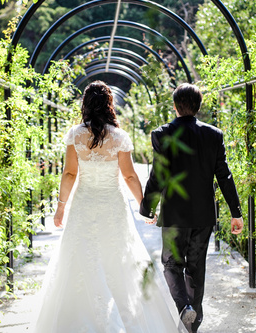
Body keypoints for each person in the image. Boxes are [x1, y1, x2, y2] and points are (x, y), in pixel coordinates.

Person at [33, 81, 188, 332]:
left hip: (83, 205)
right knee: (121, 260)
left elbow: (69, 173)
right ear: (109, 105)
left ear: (85, 105)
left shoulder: (75, 135)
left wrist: (61, 207)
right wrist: (144, 205)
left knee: (80, 260)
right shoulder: (119, 137)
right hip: (112, 207)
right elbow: (128, 176)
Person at [139, 83, 244, 333]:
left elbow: (158, 176)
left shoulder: (162, 134)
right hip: (203, 215)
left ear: (175, 107)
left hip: (175, 215)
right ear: (198, 107)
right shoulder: (214, 135)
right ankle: (192, 326)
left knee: (172, 264)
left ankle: (185, 308)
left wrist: (148, 208)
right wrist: (236, 212)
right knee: (196, 268)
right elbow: (224, 176)